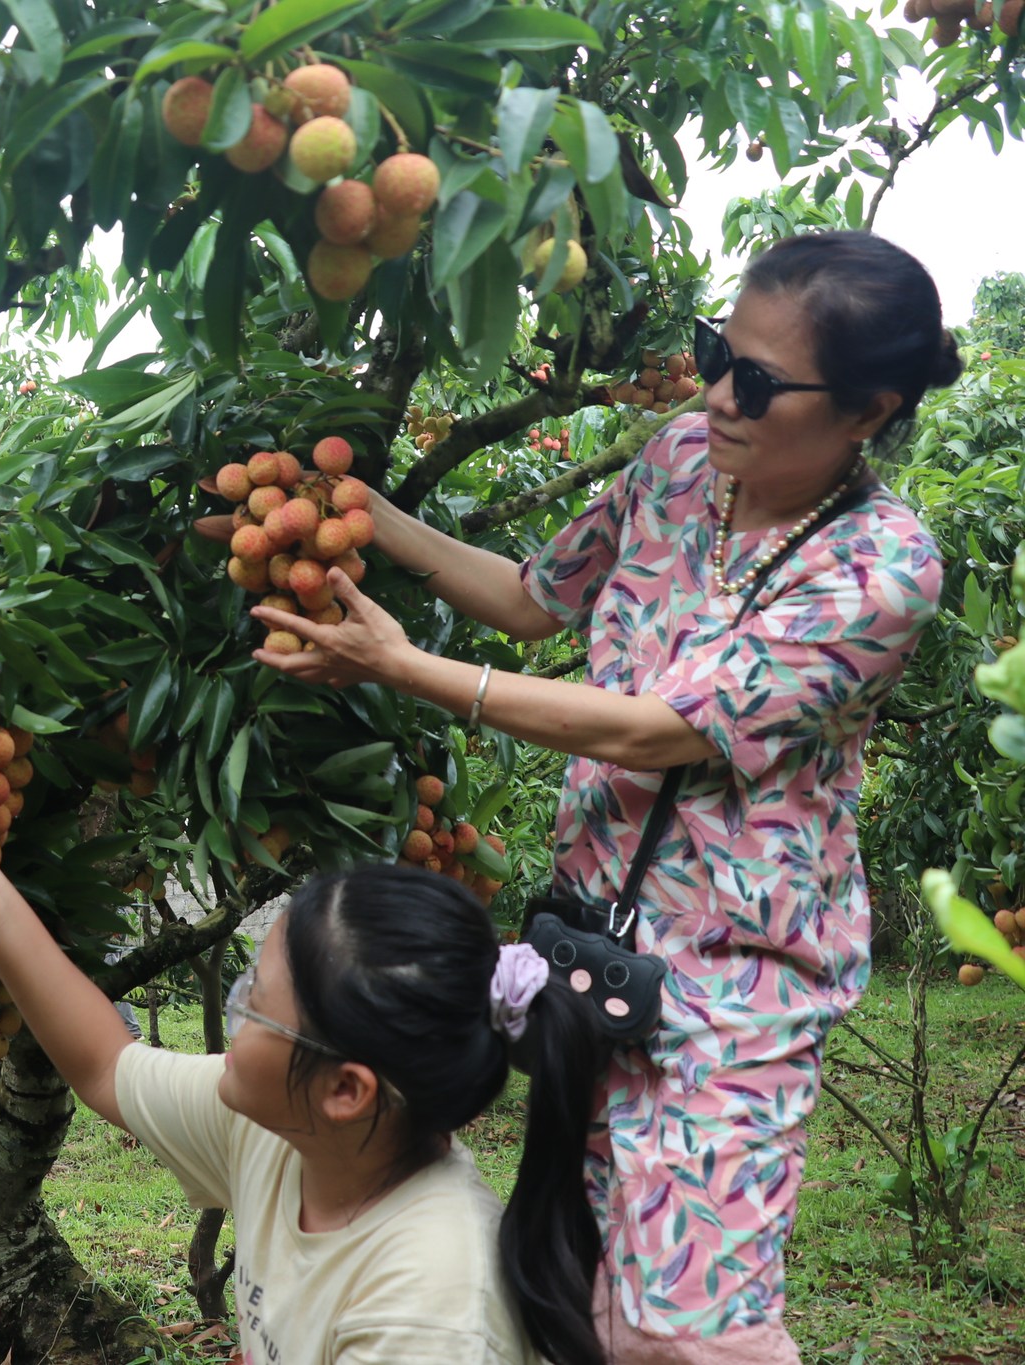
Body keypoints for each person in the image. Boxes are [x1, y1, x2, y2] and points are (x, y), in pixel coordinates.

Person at [221, 230, 953, 1363]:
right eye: (716, 353)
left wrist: (406, 669)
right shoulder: (679, 459)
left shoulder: (880, 570)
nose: (719, 394)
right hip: (590, 963)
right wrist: (354, 508)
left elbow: (656, 730)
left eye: (759, 382)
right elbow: (531, 599)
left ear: (867, 409)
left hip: (734, 983)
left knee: (688, 1329)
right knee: (577, 1290)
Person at [0, 804, 616, 1365]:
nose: (233, 1018)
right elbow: (105, 1064)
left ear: (347, 1091)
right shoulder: (289, 1134)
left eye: (253, 1004)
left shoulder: (432, 1311)